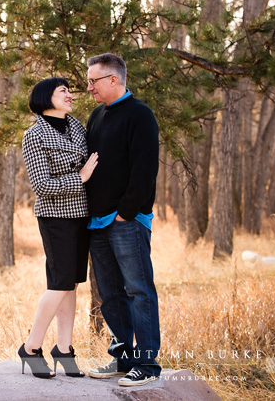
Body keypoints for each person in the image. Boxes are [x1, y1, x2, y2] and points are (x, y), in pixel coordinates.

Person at [83, 53, 161, 387]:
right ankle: (122, 358)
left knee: (138, 290)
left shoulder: (140, 115)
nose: (89, 88)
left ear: (113, 79)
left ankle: (146, 364)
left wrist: (126, 212)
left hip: (127, 221)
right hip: (97, 222)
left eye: (93, 81)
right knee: (110, 294)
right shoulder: (97, 116)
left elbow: (145, 169)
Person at [18, 77, 99, 379]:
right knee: (60, 282)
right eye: (62, 91)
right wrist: (81, 177)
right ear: (45, 97)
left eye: (69, 90)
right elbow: (41, 186)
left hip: (81, 215)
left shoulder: (76, 126)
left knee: (72, 283)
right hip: (55, 218)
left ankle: (64, 349)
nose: (70, 95)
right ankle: (31, 347)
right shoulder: (35, 135)